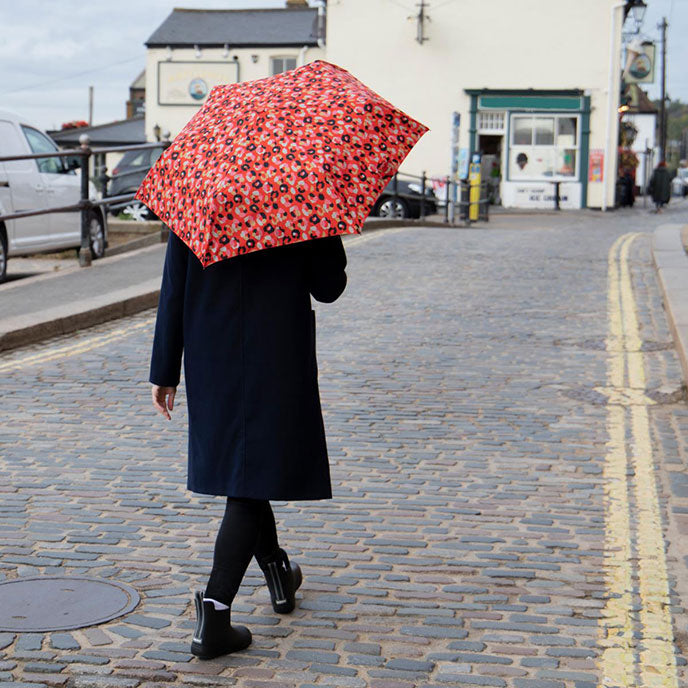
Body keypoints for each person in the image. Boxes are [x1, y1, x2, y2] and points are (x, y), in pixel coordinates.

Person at [149, 231, 347, 659]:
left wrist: (164, 368)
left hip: (211, 354)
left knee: (248, 470)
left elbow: (174, 285)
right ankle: (215, 613)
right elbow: (330, 287)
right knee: (248, 479)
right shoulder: (300, 192)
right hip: (275, 354)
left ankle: (277, 570)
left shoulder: (202, 183)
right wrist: (322, 235)